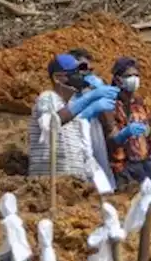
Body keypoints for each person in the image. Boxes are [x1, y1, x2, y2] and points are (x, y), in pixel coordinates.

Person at [28, 54, 119, 182]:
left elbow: (83, 150)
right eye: (74, 73)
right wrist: (88, 99)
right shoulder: (48, 97)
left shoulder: (72, 108)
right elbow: (50, 123)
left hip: (73, 183)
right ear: (57, 78)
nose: (80, 76)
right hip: (49, 183)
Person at [100, 57, 151, 187]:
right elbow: (109, 140)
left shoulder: (139, 103)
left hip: (145, 163)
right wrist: (123, 134)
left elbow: (149, 133)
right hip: (123, 167)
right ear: (117, 79)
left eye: (136, 75)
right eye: (129, 75)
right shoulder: (109, 105)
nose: (134, 79)